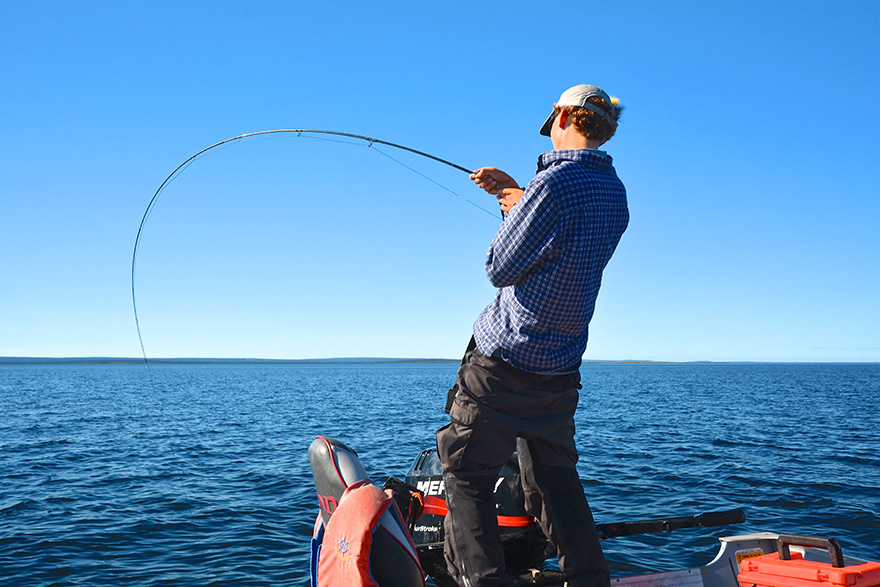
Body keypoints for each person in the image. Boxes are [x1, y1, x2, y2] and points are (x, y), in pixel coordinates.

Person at [435, 84, 629, 587]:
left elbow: (500, 267)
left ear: (563, 115)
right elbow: (562, 236)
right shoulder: (615, 193)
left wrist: (516, 202)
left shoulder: (555, 185)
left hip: (502, 361)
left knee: (468, 475)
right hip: (560, 368)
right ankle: (589, 579)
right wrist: (514, 195)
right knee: (555, 480)